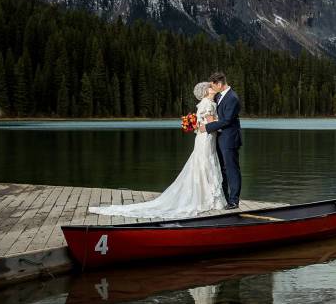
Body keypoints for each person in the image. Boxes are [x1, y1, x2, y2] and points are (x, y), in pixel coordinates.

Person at [89, 82, 227, 217]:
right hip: (206, 139)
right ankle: (206, 198)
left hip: (206, 138)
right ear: (205, 91)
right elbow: (211, 123)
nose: (212, 87)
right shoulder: (207, 103)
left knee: (205, 164)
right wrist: (224, 125)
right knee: (204, 164)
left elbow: (204, 123)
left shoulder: (208, 103)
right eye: (210, 86)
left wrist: (207, 124)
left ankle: (206, 196)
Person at [200, 72, 242, 209]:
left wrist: (207, 127)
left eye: (213, 85)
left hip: (230, 139)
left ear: (219, 84)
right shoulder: (218, 96)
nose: (212, 88)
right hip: (219, 138)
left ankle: (234, 200)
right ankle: (224, 197)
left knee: (232, 169)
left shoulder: (232, 98)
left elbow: (227, 120)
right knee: (221, 169)